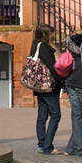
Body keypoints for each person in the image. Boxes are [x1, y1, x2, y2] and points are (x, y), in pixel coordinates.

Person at [62, 13, 82, 155]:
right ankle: (80, 148)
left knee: (77, 117)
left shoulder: (72, 40)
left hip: (72, 80)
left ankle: (72, 147)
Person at [30, 25, 61, 154]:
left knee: (42, 115)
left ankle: (42, 143)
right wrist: (60, 83)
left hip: (39, 86)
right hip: (48, 86)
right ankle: (47, 145)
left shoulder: (35, 45)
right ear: (46, 35)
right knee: (55, 115)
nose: (52, 37)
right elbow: (52, 68)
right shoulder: (43, 47)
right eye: (51, 34)